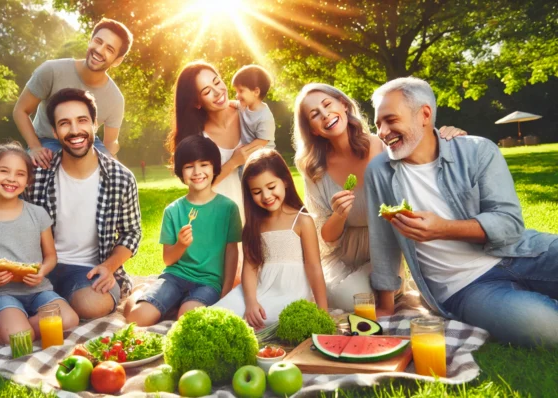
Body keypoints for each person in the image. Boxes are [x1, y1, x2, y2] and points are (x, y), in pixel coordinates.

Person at [365, 77, 558, 346]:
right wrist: (385, 311)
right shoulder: (379, 172)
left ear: (424, 114)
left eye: (391, 120)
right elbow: (383, 242)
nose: (383, 132)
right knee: (545, 327)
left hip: (521, 252)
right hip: (465, 287)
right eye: (378, 124)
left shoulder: (477, 151)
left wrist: (443, 229)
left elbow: (509, 224)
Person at [293, 83, 466, 311]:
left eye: (327, 105)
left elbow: (425, 153)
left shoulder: (385, 145)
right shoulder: (314, 168)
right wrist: (339, 215)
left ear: (344, 106)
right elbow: (326, 236)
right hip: (342, 252)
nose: (325, 115)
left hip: (385, 245)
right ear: (313, 129)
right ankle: (384, 292)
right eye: (315, 115)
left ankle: (390, 288)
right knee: (331, 296)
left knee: (351, 300)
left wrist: (447, 137)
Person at [23, 88, 142, 320]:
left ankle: (47, 308)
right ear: (55, 131)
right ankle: (52, 306)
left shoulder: (121, 178)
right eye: (65, 123)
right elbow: (11, 219)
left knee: (93, 304)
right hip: (39, 267)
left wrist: (109, 267)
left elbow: (132, 233)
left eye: (82, 120)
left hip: (87, 271)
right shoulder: (35, 175)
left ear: (94, 124)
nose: (75, 130)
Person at [0, 142, 79, 345]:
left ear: (28, 180)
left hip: (39, 289)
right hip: (1, 294)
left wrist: (41, 271)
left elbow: (51, 256)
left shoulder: (37, 214)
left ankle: (18, 326)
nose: (11, 178)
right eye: (4, 171)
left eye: (20, 174)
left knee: (69, 319)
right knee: (21, 340)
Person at [126, 135, 242, 326]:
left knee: (187, 321)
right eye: (189, 166)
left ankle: (174, 304)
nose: (197, 172)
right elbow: (168, 260)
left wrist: (226, 291)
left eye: (204, 164)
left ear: (214, 167)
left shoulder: (228, 208)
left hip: (209, 281)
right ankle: (141, 293)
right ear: (181, 172)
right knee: (137, 318)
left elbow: (231, 252)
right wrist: (181, 244)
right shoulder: (173, 211)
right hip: (175, 277)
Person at [213, 149, 328, 328]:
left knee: (265, 321)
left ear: (285, 182)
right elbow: (250, 267)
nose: (266, 196)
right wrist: (251, 302)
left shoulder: (302, 221)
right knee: (219, 314)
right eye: (257, 191)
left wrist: (323, 312)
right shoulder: (254, 225)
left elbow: (314, 267)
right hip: (255, 290)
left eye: (271, 187)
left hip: (289, 292)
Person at [13, 18, 133, 167]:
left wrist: (111, 163)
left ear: (117, 61)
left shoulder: (115, 99)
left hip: (87, 142)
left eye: (110, 49)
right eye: (98, 41)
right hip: (48, 139)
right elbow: (20, 110)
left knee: (113, 172)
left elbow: (110, 142)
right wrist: (35, 147)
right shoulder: (51, 70)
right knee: (48, 170)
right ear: (90, 41)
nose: (100, 50)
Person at [167, 61, 265, 221]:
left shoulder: (248, 115)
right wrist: (233, 162)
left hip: (260, 213)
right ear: (196, 102)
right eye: (207, 91)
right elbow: (197, 186)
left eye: (217, 82)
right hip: (221, 219)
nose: (218, 92)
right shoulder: (197, 138)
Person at [230, 64, 276, 176]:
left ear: (256, 92)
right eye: (236, 91)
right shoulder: (243, 106)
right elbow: (231, 103)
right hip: (247, 157)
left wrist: (242, 151)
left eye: (241, 91)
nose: (237, 95)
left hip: (264, 159)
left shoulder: (265, 116)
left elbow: (262, 141)